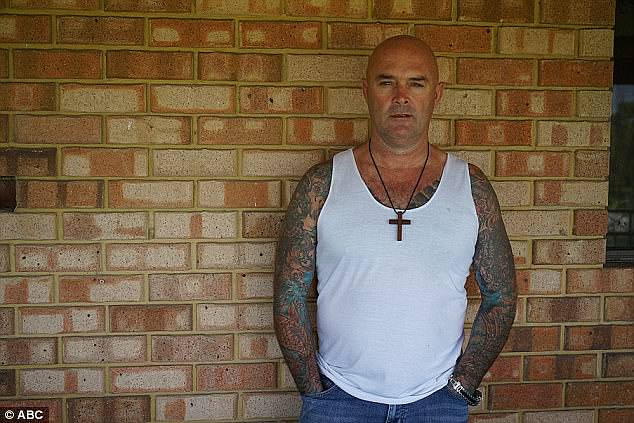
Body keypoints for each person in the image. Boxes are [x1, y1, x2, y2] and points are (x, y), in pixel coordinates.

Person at [273, 35, 517, 423]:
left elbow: (501, 296)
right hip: (338, 402)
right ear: (365, 91)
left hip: (437, 403)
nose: (401, 97)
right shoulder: (322, 185)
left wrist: (462, 385)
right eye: (386, 82)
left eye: (416, 83)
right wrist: (315, 393)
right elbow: (289, 295)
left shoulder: (471, 188)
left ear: (437, 94)